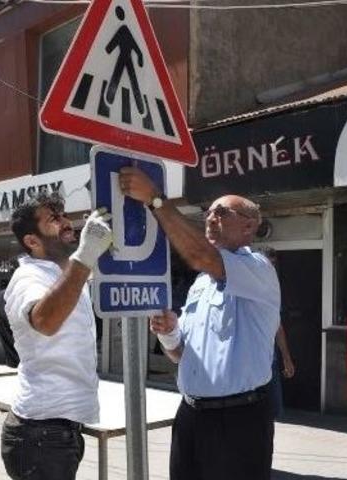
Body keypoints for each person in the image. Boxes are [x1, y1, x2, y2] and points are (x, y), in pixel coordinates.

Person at [119, 167, 280, 480]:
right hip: (191, 415)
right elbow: (182, 355)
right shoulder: (201, 284)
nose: (210, 218)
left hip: (239, 420)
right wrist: (169, 333)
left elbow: (197, 254)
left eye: (221, 212)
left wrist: (155, 199)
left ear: (249, 226)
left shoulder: (258, 268)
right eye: (208, 212)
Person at [1, 193, 113, 480]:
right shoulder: (29, 278)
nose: (66, 223)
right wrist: (86, 253)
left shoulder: (63, 272)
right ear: (32, 241)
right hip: (41, 434)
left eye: (63, 215)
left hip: (56, 432)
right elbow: (44, 321)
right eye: (54, 219)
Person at [256, 246, 296, 419]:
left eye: (273, 265)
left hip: (268, 359)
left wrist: (286, 358)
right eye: (267, 264)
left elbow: (277, 326)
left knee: (271, 414)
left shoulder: (271, 291)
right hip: (246, 362)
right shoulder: (242, 287)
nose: (270, 269)